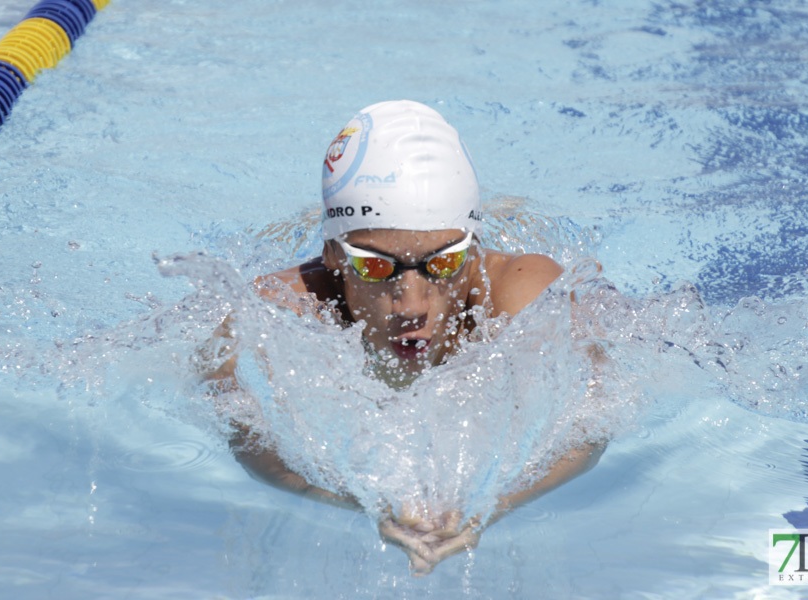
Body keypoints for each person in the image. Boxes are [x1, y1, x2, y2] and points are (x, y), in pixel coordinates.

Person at [211, 100, 605, 575]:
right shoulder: (285, 307)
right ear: (333, 254)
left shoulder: (519, 293)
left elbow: (594, 420)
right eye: (375, 266)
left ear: (473, 250)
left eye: (443, 263)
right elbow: (243, 430)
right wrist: (358, 503)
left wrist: (495, 506)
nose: (412, 304)